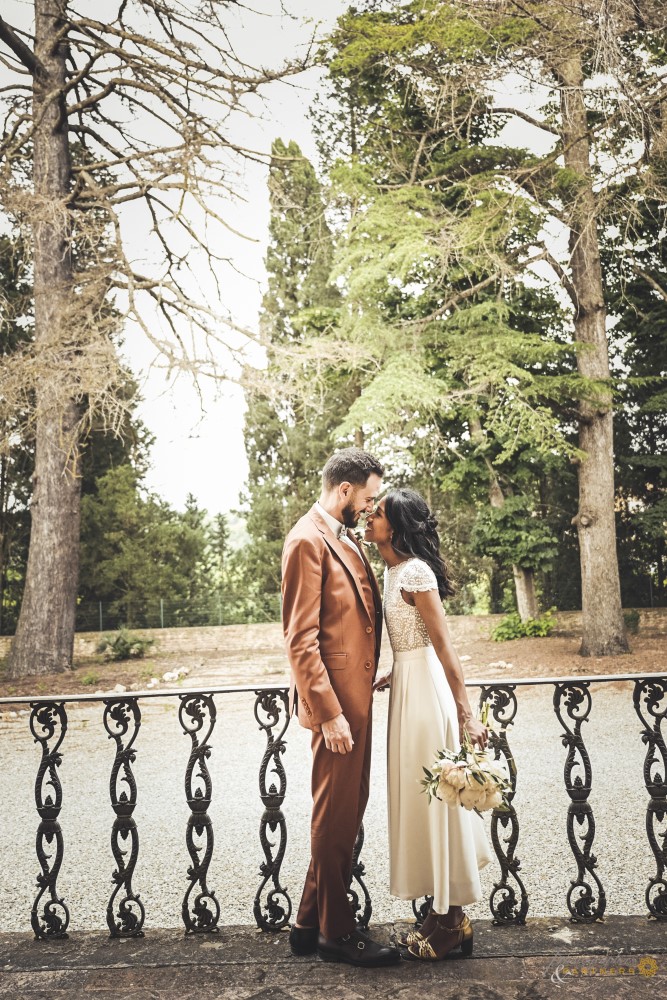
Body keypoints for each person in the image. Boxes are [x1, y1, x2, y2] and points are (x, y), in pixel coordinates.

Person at [281, 448, 401, 968]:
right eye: (370, 497)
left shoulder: (342, 537)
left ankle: (307, 924)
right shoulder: (306, 540)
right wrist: (328, 713)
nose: (373, 508)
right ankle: (336, 932)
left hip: (358, 701)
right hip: (337, 711)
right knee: (335, 818)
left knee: (345, 813)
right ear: (345, 489)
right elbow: (300, 640)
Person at [365, 487, 492, 961]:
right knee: (422, 803)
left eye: (377, 513)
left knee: (439, 801)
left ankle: (450, 921)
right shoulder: (391, 569)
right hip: (407, 690)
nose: (368, 517)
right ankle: (444, 917)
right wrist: (397, 670)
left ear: (395, 526)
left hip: (428, 698)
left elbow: (443, 646)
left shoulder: (415, 571)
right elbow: (412, 638)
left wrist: (465, 712)